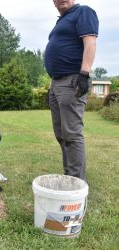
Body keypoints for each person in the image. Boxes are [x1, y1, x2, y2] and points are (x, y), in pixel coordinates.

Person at [44, 0, 99, 180]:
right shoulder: (62, 20)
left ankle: (77, 181)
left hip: (72, 80)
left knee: (72, 134)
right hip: (57, 82)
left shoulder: (83, 12)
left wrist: (84, 73)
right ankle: (70, 175)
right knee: (61, 134)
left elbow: (90, 43)